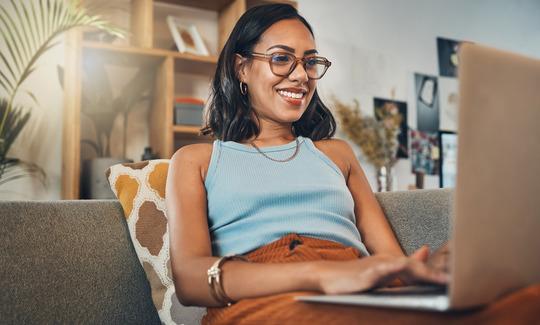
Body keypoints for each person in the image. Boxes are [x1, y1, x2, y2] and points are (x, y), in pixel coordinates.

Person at [166, 4, 539, 324]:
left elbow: (390, 260)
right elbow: (191, 280)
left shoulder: (336, 153)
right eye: (282, 58)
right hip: (264, 297)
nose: (300, 75)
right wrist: (322, 275)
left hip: (359, 289)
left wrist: (432, 270)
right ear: (241, 68)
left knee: (528, 302)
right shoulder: (196, 161)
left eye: (310, 62)